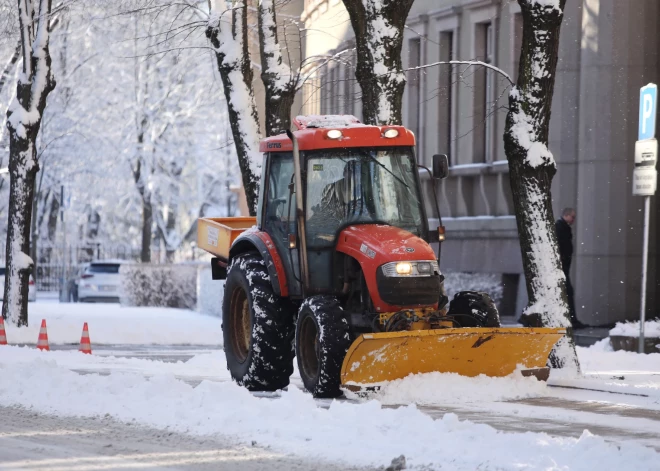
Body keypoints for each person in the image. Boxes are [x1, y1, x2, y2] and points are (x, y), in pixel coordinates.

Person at [555, 207, 585, 328]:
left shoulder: (562, 227)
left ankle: (571, 319)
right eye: (572, 217)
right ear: (566, 215)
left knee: (563, 292)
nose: (573, 219)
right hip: (561, 267)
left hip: (562, 267)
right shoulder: (560, 227)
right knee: (567, 292)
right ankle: (572, 320)